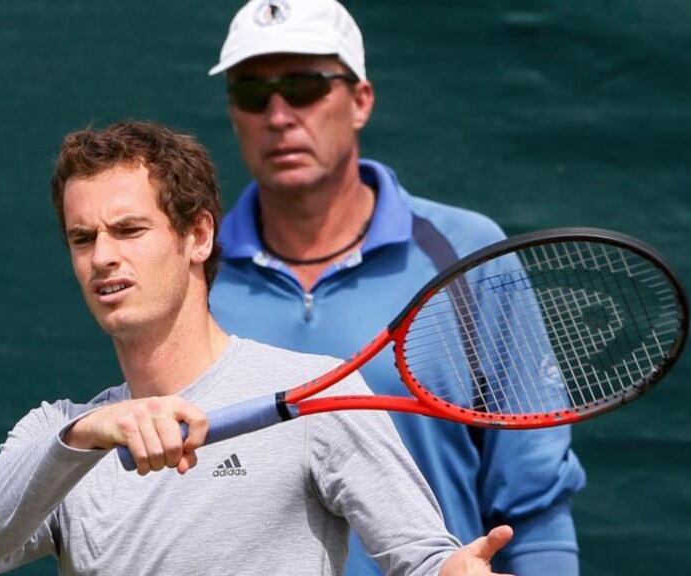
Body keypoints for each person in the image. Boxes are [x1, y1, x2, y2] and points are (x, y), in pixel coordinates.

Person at [0, 120, 515, 575]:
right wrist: (84, 437)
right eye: (83, 239)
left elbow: (419, 556)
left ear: (199, 235)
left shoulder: (322, 393)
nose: (103, 256)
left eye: (130, 230)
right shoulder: (61, 433)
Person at [205, 1, 588, 575]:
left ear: (360, 101)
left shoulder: (466, 254)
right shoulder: (194, 275)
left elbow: (534, 501)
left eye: (305, 86)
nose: (279, 115)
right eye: (253, 93)